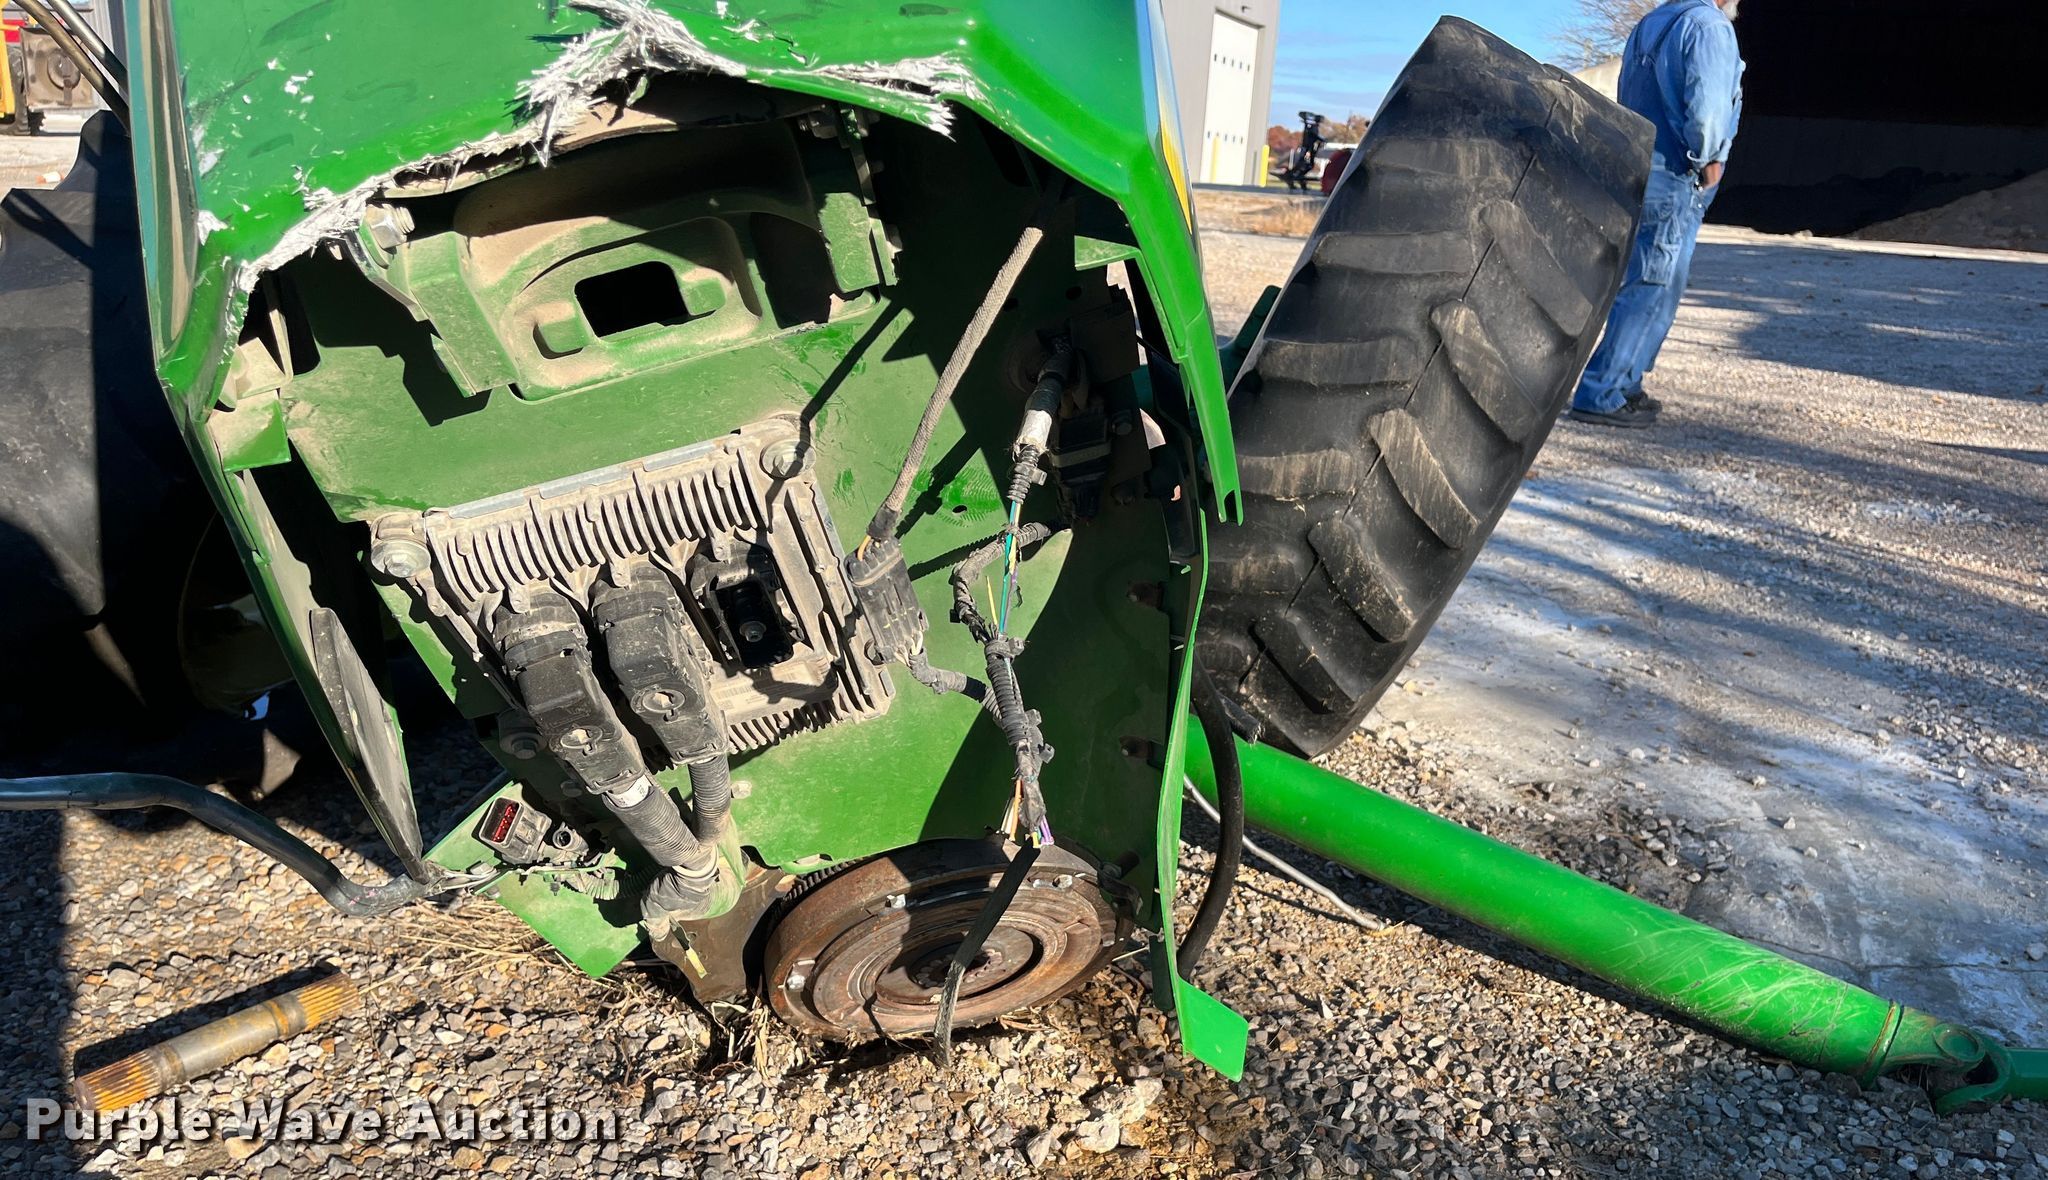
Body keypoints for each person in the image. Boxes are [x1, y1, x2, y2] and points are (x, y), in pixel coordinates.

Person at [1569, 0, 1744, 428]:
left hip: (1641, 166)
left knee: (1651, 280)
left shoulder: (1652, 23)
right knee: (1652, 284)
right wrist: (1709, 158)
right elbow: (1708, 105)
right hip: (1676, 172)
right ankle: (1603, 391)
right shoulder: (1709, 26)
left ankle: (1626, 384)